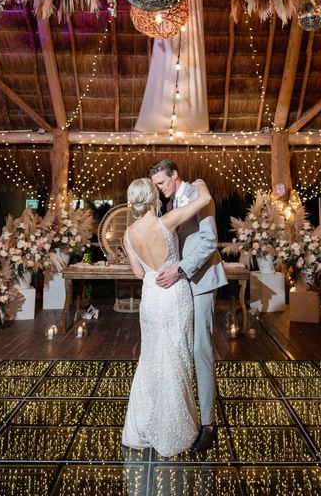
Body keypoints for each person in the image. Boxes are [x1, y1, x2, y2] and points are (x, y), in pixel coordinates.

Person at [122, 177, 212, 457]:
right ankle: (174, 430)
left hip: (150, 298)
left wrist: (152, 270)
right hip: (173, 295)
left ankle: (145, 427)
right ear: (153, 198)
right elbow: (205, 200)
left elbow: (138, 273)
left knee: (151, 359)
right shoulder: (167, 221)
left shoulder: (127, 234)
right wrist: (201, 183)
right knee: (177, 358)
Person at [149, 159, 227, 452]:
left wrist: (179, 270)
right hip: (180, 283)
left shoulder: (197, 193)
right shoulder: (167, 203)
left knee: (200, 349)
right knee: (181, 346)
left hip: (202, 279)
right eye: (156, 184)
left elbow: (209, 241)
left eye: (162, 183)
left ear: (175, 176)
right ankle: (187, 414)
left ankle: (209, 424)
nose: (159, 188)